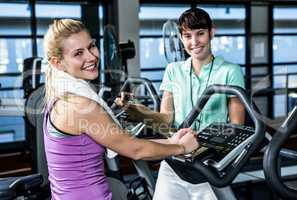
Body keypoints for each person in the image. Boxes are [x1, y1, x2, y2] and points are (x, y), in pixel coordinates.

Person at [42, 18, 199, 200]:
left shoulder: (58, 96)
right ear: (57, 63)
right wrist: (181, 147)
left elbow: (122, 142)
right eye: (78, 53)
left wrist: (172, 141)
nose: (91, 57)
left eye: (91, 46)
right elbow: (135, 150)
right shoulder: (80, 105)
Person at [115, 7, 245, 200]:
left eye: (200, 33)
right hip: (175, 157)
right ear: (181, 38)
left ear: (212, 32)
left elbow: (236, 126)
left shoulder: (230, 71)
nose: (194, 42)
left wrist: (205, 143)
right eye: (187, 36)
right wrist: (136, 111)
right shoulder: (173, 70)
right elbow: (166, 119)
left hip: (209, 162)